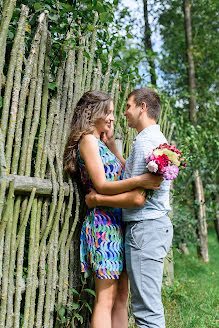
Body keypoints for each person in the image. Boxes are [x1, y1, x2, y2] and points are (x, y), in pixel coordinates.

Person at [64, 90, 163, 328]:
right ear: (93, 112)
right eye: (107, 112)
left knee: (121, 296)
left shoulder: (101, 143)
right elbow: (101, 185)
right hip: (103, 225)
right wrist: (140, 181)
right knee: (105, 298)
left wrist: (113, 148)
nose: (112, 118)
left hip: (119, 222)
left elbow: (121, 172)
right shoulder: (88, 140)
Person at [86, 88, 173, 328]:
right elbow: (134, 177)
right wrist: (114, 148)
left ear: (142, 107)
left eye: (127, 107)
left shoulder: (146, 141)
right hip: (151, 227)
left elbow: (137, 198)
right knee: (146, 305)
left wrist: (98, 200)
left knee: (146, 311)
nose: (124, 114)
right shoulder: (155, 139)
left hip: (145, 228)